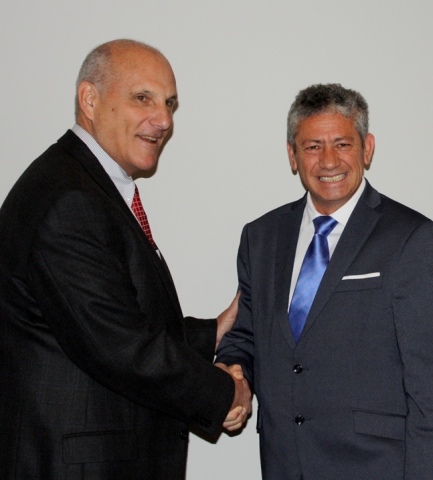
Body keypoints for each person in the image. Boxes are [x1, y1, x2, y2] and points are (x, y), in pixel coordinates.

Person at [0, 39, 251, 480]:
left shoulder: (83, 183)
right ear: (90, 100)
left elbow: (116, 319)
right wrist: (223, 392)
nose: (164, 119)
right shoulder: (69, 199)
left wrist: (211, 333)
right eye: (142, 98)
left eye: (169, 103)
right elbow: (119, 346)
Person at [216, 83, 433, 479]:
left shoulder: (412, 238)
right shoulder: (260, 237)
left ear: (367, 149)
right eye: (313, 146)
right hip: (284, 462)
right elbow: (247, 335)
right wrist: (234, 379)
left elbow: (427, 383)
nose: (329, 160)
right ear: (292, 155)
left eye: (342, 144)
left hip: (377, 467)